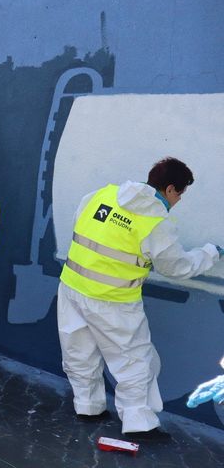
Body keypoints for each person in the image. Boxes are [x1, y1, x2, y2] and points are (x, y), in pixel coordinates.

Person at [57, 157, 222, 442]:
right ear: (170, 189)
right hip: (114, 301)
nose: (179, 200)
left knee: (78, 352)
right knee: (133, 361)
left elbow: (81, 226)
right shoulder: (156, 221)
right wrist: (210, 253)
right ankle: (139, 423)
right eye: (180, 193)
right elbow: (176, 267)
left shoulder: (101, 194)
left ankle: (88, 407)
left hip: (71, 287)